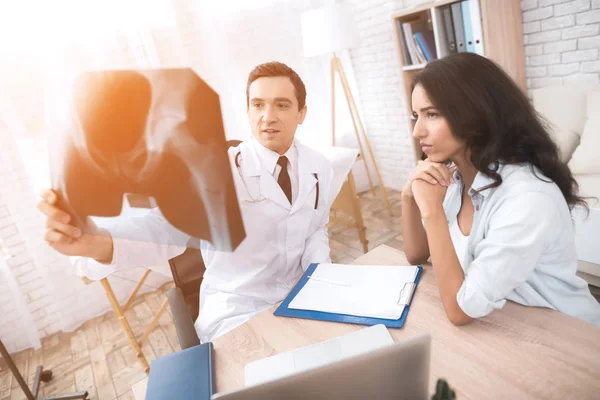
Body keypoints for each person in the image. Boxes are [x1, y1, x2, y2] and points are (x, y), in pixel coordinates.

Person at [38, 61, 334, 342]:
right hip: (240, 310)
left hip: (301, 296)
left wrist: (319, 274)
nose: (268, 116)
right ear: (248, 110)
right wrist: (95, 244)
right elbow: (164, 230)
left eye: (281, 105)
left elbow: (316, 228)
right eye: (258, 104)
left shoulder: (319, 165)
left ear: (301, 113)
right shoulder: (218, 171)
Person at [401, 52, 600, 327]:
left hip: (568, 331)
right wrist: (409, 195)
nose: (418, 131)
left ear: (475, 113)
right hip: (506, 321)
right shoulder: (455, 177)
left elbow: (461, 310)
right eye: (416, 116)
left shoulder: (527, 198)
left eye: (432, 114)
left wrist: (433, 212)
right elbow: (416, 255)